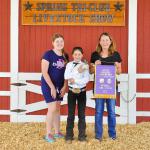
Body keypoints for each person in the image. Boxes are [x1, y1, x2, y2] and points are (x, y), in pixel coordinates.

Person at [90, 32, 122, 141]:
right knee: (98, 111)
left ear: (110, 41)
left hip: (111, 88)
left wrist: (117, 67)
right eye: (103, 40)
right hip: (99, 88)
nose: (105, 42)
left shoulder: (116, 54)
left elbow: (119, 72)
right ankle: (98, 136)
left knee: (111, 112)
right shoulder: (95, 55)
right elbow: (91, 71)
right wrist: (95, 66)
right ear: (99, 42)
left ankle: (112, 135)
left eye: (107, 40)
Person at [41, 33, 68, 143]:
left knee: (57, 109)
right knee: (51, 109)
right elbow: (44, 72)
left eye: (61, 41)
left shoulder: (65, 56)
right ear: (53, 43)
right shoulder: (48, 54)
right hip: (48, 85)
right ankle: (48, 134)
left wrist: (65, 86)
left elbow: (67, 73)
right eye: (57, 41)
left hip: (60, 86)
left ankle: (57, 132)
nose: (59, 43)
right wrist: (52, 87)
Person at [64, 47, 90, 143]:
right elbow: (66, 76)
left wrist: (75, 80)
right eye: (75, 54)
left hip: (82, 92)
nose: (77, 56)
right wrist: (77, 71)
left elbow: (86, 79)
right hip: (71, 92)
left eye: (79, 54)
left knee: (81, 115)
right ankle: (69, 136)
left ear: (82, 55)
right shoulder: (69, 65)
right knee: (70, 114)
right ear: (72, 55)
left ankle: (82, 136)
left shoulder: (85, 66)